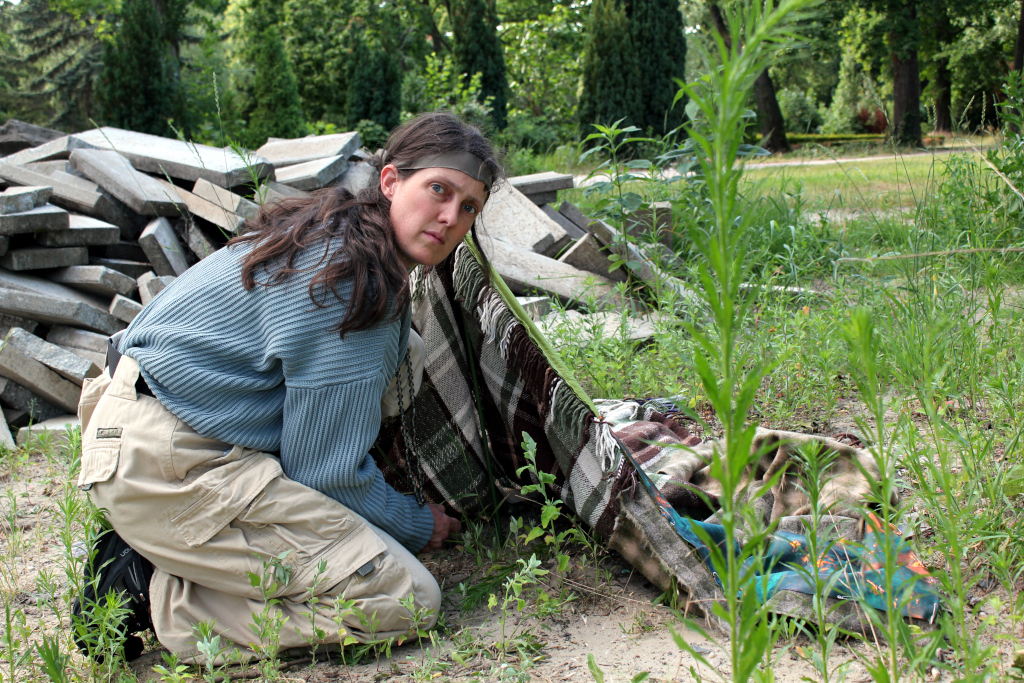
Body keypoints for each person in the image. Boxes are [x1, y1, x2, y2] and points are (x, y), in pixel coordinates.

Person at [74, 112, 503, 660]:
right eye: (438, 190)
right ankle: (155, 590)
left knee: (409, 356)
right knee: (406, 597)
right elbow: (324, 472)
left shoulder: (340, 229)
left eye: (469, 207)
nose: (449, 218)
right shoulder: (354, 286)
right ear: (392, 181)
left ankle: (175, 545)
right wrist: (416, 524)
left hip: (142, 423)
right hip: (169, 463)